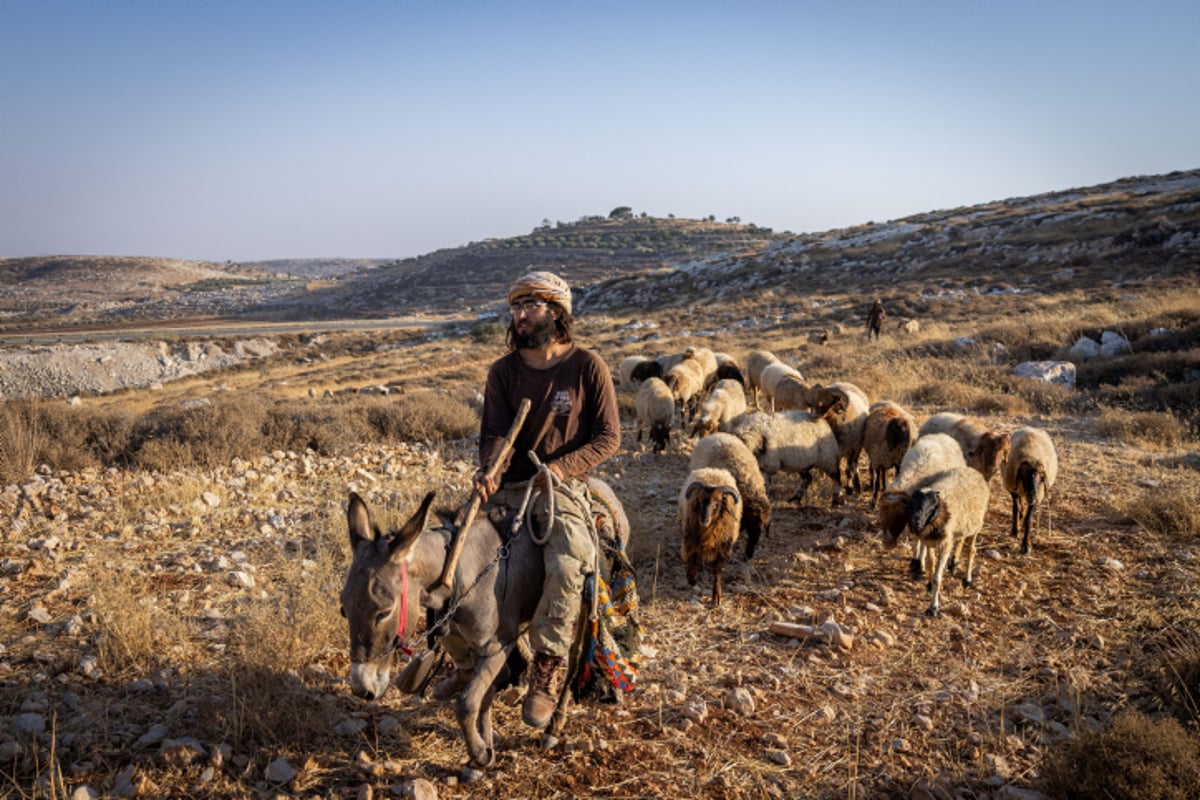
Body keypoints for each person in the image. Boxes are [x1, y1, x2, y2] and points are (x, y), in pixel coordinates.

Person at [459, 270, 621, 729]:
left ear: (556, 311)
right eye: (515, 307)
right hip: (509, 486)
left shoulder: (588, 366)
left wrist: (562, 468)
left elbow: (609, 437)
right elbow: (493, 432)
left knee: (570, 559)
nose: (519, 315)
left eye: (529, 306)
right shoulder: (504, 371)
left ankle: (547, 666)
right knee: (451, 555)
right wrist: (489, 468)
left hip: (560, 488)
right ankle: (462, 659)